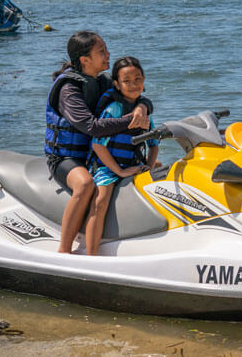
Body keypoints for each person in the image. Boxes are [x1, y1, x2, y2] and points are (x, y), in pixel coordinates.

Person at [45, 31, 152, 254]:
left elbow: (134, 94)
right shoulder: (69, 89)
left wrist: (143, 107)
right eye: (101, 51)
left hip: (95, 157)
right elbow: (91, 127)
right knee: (85, 185)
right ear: (85, 60)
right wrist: (131, 120)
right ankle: (64, 250)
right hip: (66, 158)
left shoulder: (101, 82)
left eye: (106, 50)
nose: (108, 54)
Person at [85, 56, 160, 255]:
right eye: (126, 81)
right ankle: (91, 256)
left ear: (144, 79)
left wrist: (149, 167)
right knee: (100, 202)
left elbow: (153, 144)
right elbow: (98, 145)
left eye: (137, 79)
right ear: (117, 84)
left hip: (134, 164)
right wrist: (120, 171)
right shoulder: (113, 110)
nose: (133, 85)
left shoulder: (145, 114)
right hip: (108, 167)